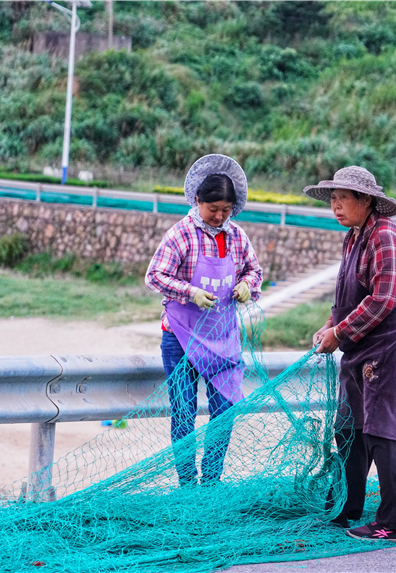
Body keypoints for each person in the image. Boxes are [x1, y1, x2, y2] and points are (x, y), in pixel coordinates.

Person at [303, 166, 396, 543]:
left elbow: (384, 299)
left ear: (365, 200)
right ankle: (346, 508)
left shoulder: (386, 236)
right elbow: (348, 296)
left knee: (382, 432)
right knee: (347, 428)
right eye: (332, 200)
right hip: (359, 343)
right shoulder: (353, 236)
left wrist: (340, 333)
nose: (336, 207)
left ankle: (391, 523)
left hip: (387, 342)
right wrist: (330, 326)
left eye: (343, 200)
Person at [145, 154, 263, 486]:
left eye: (226, 210)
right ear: (198, 201)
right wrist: (189, 292)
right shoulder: (180, 234)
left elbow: (254, 271)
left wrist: (246, 286)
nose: (219, 216)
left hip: (222, 339)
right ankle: (187, 482)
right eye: (213, 209)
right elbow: (155, 276)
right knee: (183, 413)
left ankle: (212, 480)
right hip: (180, 339)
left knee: (224, 411)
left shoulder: (237, 236)